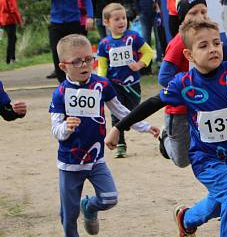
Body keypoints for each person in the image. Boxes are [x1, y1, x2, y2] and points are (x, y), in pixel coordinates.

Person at [107, 19, 227, 237]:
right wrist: (119, 127)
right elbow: (152, 104)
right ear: (189, 55)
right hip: (204, 158)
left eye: (217, 43)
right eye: (204, 45)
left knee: (218, 204)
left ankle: (186, 219)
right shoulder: (183, 83)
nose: (213, 49)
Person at [50, 34, 158, 237]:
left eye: (88, 59)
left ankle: (89, 207)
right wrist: (66, 127)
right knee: (69, 214)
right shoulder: (60, 93)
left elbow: (121, 111)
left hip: (96, 159)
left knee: (110, 198)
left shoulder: (102, 85)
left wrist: (144, 126)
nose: (85, 64)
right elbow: (56, 130)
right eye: (77, 61)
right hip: (70, 163)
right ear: (63, 66)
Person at [157, 0, 225, 168]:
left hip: (201, 106)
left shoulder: (211, 36)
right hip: (178, 110)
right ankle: (165, 137)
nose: (200, 17)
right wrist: (188, 88)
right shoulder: (180, 41)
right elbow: (164, 77)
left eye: (203, 11)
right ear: (183, 17)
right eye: (193, 13)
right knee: (181, 160)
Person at [96, 3, 154, 158]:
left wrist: (140, 64)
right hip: (114, 85)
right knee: (116, 113)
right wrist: (101, 82)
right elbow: (102, 66)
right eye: (117, 19)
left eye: (123, 18)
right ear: (106, 23)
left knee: (133, 111)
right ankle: (120, 143)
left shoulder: (133, 37)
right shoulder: (104, 44)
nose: (122, 21)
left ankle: (127, 123)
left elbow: (148, 52)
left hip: (133, 85)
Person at [42, 0, 93, 82]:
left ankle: (80, 78)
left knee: (76, 51)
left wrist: (90, 16)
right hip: (56, 22)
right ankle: (62, 82)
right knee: (56, 51)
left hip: (73, 21)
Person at [0, 0, 23, 64]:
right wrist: (19, 21)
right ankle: (10, 59)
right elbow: (14, 9)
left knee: (12, 39)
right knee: (12, 40)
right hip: (10, 20)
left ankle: (9, 59)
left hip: (3, 21)